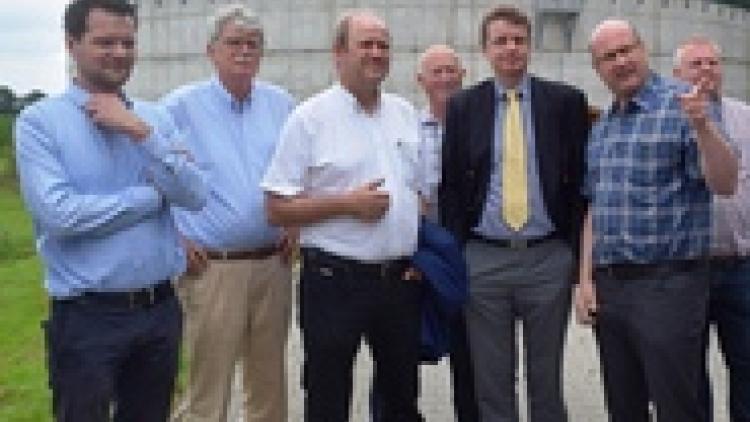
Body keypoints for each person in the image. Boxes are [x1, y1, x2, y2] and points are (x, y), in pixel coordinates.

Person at [13, 0, 207, 421]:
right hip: (88, 318)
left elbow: (195, 194)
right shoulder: (40, 123)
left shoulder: (155, 120)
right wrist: (153, 198)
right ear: (72, 44)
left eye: (127, 42)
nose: (119, 53)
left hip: (159, 309)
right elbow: (61, 215)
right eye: (105, 42)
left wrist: (139, 131)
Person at [261, 10, 423, 422]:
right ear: (339, 52)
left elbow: (419, 194)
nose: (376, 53)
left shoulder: (405, 114)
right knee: (328, 399)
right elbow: (276, 208)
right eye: (366, 44)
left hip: (398, 282)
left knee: (401, 400)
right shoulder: (309, 119)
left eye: (383, 45)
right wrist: (346, 205)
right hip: (334, 282)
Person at [576, 20, 738, 422]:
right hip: (611, 289)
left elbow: (725, 182)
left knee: (677, 406)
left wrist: (703, 127)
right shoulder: (603, 127)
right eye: (609, 57)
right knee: (624, 407)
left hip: (669, 285)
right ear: (597, 68)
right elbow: (596, 207)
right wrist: (585, 280)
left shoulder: (685, 105)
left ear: (644, 49)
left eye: (626, 50)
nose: (621, 61)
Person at [439, 6, 589, 422]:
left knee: (546, 379)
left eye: (518, 40)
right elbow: (451, 187)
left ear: (530, 46)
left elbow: (580, 183)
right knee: (492, 382)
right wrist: (461, 251)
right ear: (485, 49)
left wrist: (573, 257)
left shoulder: (565, 102)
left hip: (547, 258)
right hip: (485, 259)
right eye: (501, 41)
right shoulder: (464, 106)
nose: (511, 48)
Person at [161, 5, 295, 422]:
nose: (243, 52)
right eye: (234, 43)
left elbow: (300, 171)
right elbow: (148, 175)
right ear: (211, 51)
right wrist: (175, 239)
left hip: (273, 265)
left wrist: (296, 223)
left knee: (269, 386)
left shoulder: (281, 105)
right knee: (209, 389)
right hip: (212, 269)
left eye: (252, 44)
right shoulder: (179, 108)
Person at [673, 35, 750, 422]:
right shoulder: (666, 118)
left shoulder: (746, 117)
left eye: (712, 63)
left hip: (741, 266)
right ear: (677, 74)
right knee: (689, 374)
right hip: (688, 268)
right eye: (696, 64)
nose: (706, 70)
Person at [415, 44, 478, 422]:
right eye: (436, 72)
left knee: (470, 356)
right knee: (402, 353)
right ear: (420, 81)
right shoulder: (407, 129)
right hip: (420, 252)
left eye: (451, 70)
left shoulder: (480, 127)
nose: (444, 79)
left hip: (465, 254)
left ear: (463, 75)